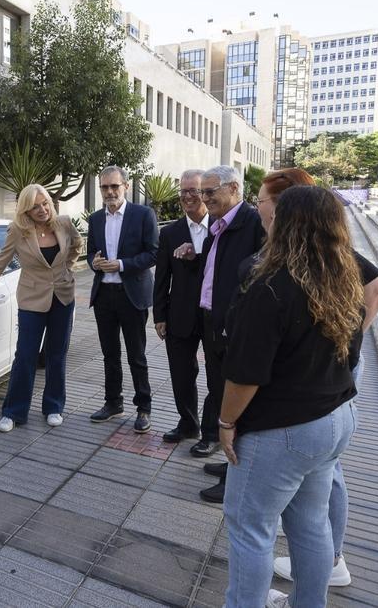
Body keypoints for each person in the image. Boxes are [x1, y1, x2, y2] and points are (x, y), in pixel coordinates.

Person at [230, 168, 378, 588]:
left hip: (282, 428)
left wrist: (226, 423)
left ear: (287, 222)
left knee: (251, 529)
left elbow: (245, 375)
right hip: (334, 418)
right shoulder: (344, 280)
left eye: (271, 208)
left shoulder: (268, 286)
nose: (264, 213)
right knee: (312, 526)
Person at [0, 184, 82, 432]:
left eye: (44, 203)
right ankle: (13, 411)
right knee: (25, 355)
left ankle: (53, 407)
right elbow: (1, 261)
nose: (42, 209)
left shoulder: (63, 223)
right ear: (26, 210)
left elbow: (76, 246)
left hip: (63, 297)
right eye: (35, 207)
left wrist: (67, 269)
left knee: (57, 354)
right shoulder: (18, 231)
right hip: (32, 299)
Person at [190, 165, 265, 482]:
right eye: (201, 193)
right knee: (219, 393)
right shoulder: (218, 225)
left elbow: (251, 279)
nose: (204, 199)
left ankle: (237, 475)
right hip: (212, 322)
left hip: (234, 328)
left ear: (234, 188)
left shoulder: (252, 225)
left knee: (238, 405)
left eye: (210, 192)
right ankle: (230, 461)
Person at [85, 166, 159, 432]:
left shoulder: (143, 214)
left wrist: (122, 265)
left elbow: (153, 254)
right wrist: (94, 262)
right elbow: (90, 252)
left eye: (114, 186)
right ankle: (113, 402)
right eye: (105, 187)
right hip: (104, 295)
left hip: (132, 296)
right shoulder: (95, 219)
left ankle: (144, 408)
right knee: (109, 354)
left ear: (126, 187)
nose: (109, 192)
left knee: (136, 354)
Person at [153, 169, 211, 443]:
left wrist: (196, 255)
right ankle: (188, 424)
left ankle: (211, 433)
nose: (187, 196)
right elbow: (162, 278)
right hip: (179, 314)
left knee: (217, 378)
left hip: (214, 315)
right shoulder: (170, 233)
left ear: (205, 193)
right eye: (183, 191)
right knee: (181, 374)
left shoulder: (221, 228)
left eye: (194, 191)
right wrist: (159, 316)